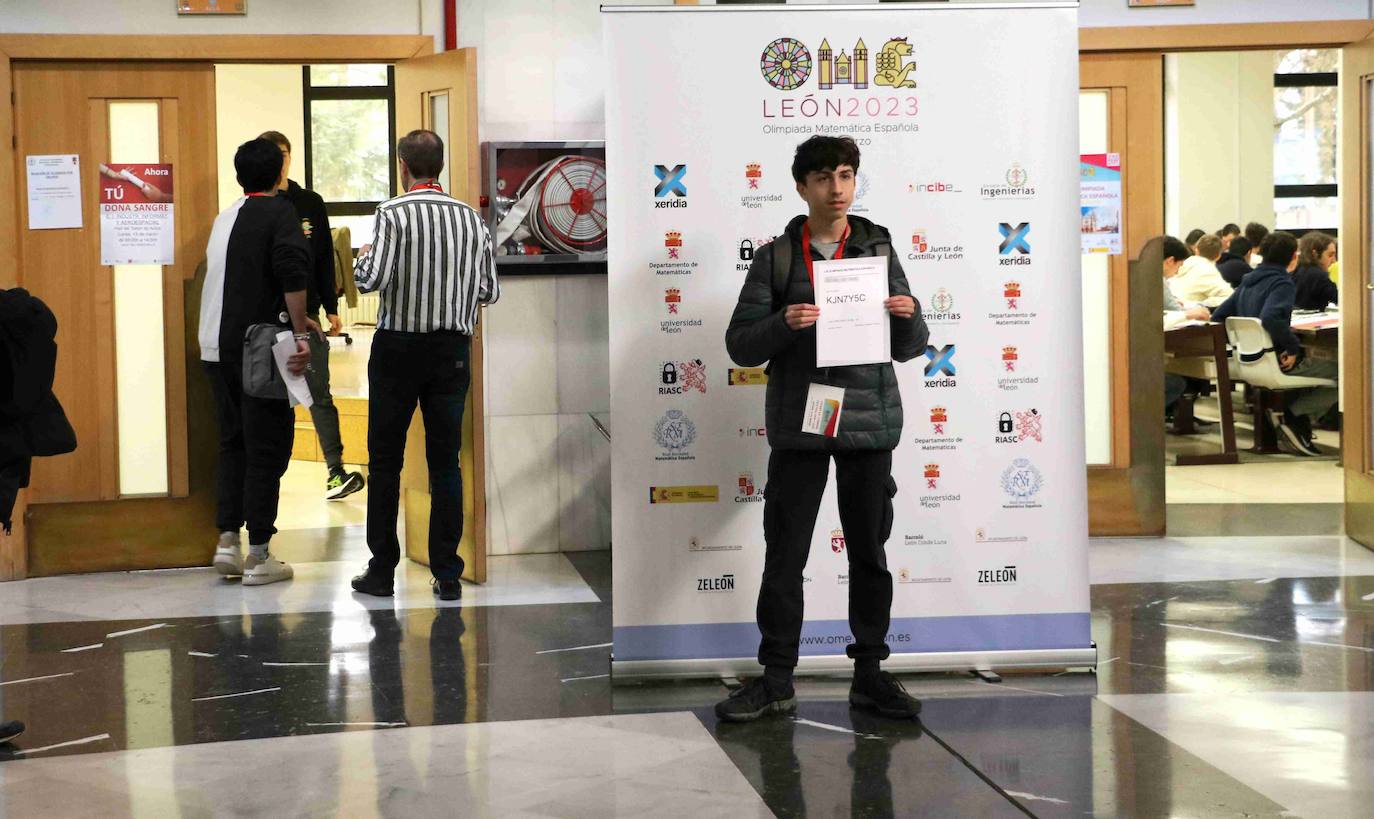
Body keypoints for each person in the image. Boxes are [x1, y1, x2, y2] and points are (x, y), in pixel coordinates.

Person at [717, 135, 928, 722]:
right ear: (801, 187)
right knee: (786, 556)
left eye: (845, 175)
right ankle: (777, 678)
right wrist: (783, 322)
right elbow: (740, 345)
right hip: (801, 423)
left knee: (870, 554)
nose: (836, 189)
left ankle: (870, 675)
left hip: (868, 421)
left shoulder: (878, 247)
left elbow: (913, 348)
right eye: (823, 179)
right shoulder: (778, 257)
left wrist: (909, 317)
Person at [350, 130, 499, 602]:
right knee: (446, 464)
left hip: (397, 350)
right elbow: (488, 292)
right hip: (451, 352)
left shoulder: (392, 213)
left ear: (402, 166)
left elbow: (371, 279)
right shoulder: (470, 219)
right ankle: (448, 573)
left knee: (386, 462)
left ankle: (382, 569)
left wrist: (356, 265)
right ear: (439, 165)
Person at [201, 138, 315, 586]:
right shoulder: (279, 213)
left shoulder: (224, 216)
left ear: (238, 175)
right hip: (258, 350)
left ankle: (227, 541)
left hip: (215, 348)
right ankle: (260, 554)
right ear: (279, 176)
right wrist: (302, 333)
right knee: (267, 449)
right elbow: (292, 273)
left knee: (233, 444)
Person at [258, 131, 366, 502]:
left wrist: (332, 308)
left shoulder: (309, 203)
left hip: (309, 318)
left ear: (290, 157)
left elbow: (321, 258)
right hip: (265, 322)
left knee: (319, 394)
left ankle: (335, 472)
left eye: (283, 153)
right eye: (271, 154)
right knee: (269, 401)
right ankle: (263, 481)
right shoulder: (254, 205)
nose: (279, 160)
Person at [1211, 231, 1334, 456]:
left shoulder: (1247, 283)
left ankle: (1291, 418)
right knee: (1346, 373)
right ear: (1293, 258)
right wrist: (1292, 347)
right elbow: (1271, 318)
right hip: (1277, 361)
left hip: (1248, 361)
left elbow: (1218, 316)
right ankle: (1294, 414)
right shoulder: (1282, 283)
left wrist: (1241, 342)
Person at [1169, 233, 1232, 308]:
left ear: (1196, 250)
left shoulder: (1181, 266)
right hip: (1190, 313)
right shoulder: (1208, 271)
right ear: (1219, 256)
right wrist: (1202, 304)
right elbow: (1230, 297)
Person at [1293, 232, 1338, 311]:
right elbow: (1340, 299)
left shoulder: (1293, 270)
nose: (1334, 261)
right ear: (1315, 254)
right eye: (1330, 255)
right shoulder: (1319, 276)